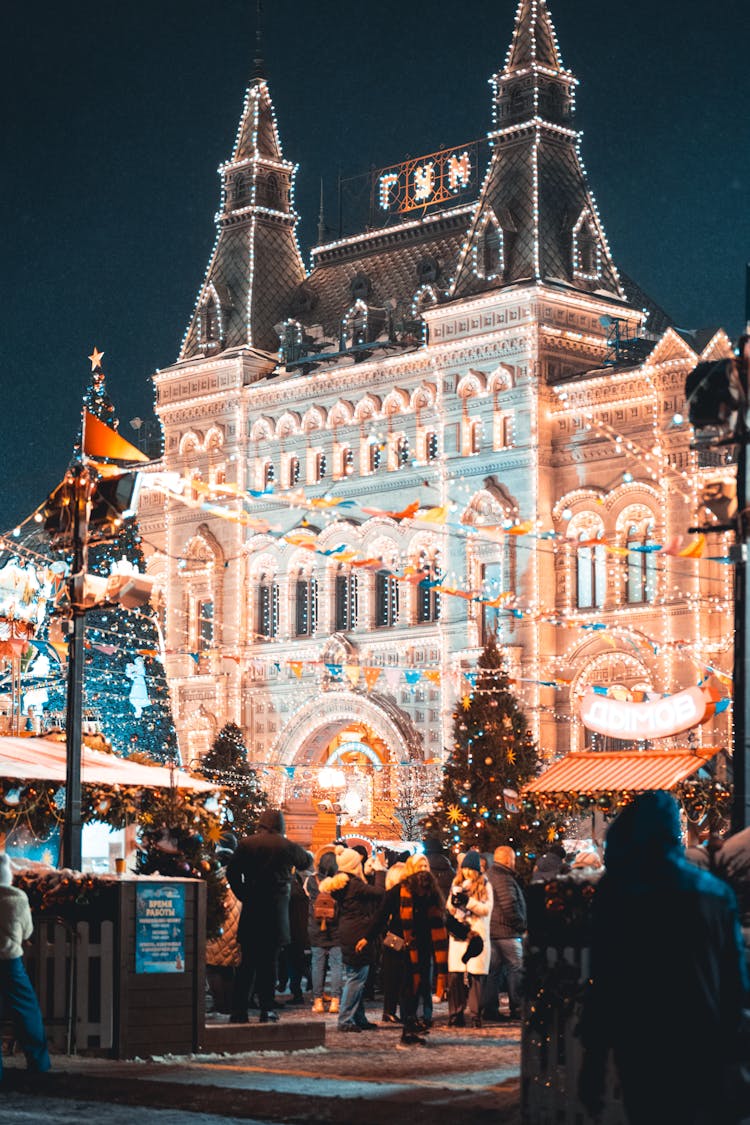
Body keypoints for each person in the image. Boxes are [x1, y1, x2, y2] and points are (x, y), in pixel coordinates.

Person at [578, 791, 748, 1125]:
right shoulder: (714, 894)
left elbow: (604, 980)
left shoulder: (618, 893)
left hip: (642, 1042)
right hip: (702, 1040)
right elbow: (734, 984)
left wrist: (594, 1060)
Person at [227, 809, 312, 1023]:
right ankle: (267, 1009)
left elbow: (232, 872)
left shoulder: (246, 844)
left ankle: (239, 1011)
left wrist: (244, 893)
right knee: (269, 964)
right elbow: (305, 861)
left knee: (247, 964)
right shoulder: (286, 846)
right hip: (276, 911)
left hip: (252, 908)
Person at [361, 853, 448, 1047]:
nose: (423, 869)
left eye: (426, 865)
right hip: (401, 952)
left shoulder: (432, 893)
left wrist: (466, 932)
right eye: (420, 865)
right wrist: (367, 937)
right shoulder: (398, 892)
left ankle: (414, 1027)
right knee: (408, 992)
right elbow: (381, 916)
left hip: (423, 950)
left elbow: (443, 919)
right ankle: (408, 1032)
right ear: (410, 869)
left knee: (419, 990)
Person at [319, 845, 385, 1033]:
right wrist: (380, 872)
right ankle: (346, 1019)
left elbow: (368, 893)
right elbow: (379, 893)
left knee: (356, 977)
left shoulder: (346, 884)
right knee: (356, 979)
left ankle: (358, 1017)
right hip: (357, 934)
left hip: (348, 931)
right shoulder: (354, 884)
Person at [0, 852, 50, 1080]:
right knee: (26, 1009)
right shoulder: (17, 899)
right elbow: (27, 931)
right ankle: (38, 1062)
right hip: (10, 961)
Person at [446, 850, 492, 1027]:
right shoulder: (456, 882)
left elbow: (486, 909)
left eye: (468, 869)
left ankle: (475, 1015)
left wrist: (469, 902)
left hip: (477, 934)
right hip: (460, 932)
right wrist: (454, 902)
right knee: (456, 976)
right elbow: (449, 905)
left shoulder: (485, 885)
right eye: (463, 869)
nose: (465, 873)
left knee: (476, 976)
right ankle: (455, 1014)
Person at [482, 845, 526, 1022]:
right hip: (507, 932)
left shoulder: (490, 875)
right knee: (516, 968)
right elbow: (509, 905)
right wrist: (521, 924)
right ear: (508, 859)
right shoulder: (503, 877)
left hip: (492, 931)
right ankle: (518, 1007)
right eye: (513, 859)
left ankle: (490, 1009)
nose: (514, 862)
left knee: (494, 971)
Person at [205, 832, 241, 1016]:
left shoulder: (212, 870)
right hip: (236, 925)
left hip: (216, 925)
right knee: (229, 966)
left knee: (213, 966)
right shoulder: (241, 869)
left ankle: (220, 1004)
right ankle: (229, 1003)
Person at [304, 849, 343, 1014]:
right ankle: (335, 1001)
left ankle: (318, 1001)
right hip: (336, 928)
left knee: (317, 965)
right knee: (336, 965)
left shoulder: (311, 880)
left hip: (316, 926)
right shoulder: (339, 882)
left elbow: (308, 896)